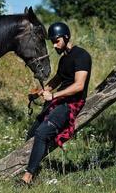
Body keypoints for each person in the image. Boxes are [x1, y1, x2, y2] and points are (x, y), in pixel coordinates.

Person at [20, 22, 92, 184]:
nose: (54, 45)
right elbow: (57, 80)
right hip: (59, 100)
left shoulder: (82, 56)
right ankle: (27, 164)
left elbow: (79, 86)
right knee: (32, 133)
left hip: (71, 103)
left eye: (56, 40)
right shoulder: (64, 59)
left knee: (42, 133)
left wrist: (53, 96)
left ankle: (28, 177)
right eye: (52, 41)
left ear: (66, 37)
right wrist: (38, 92)